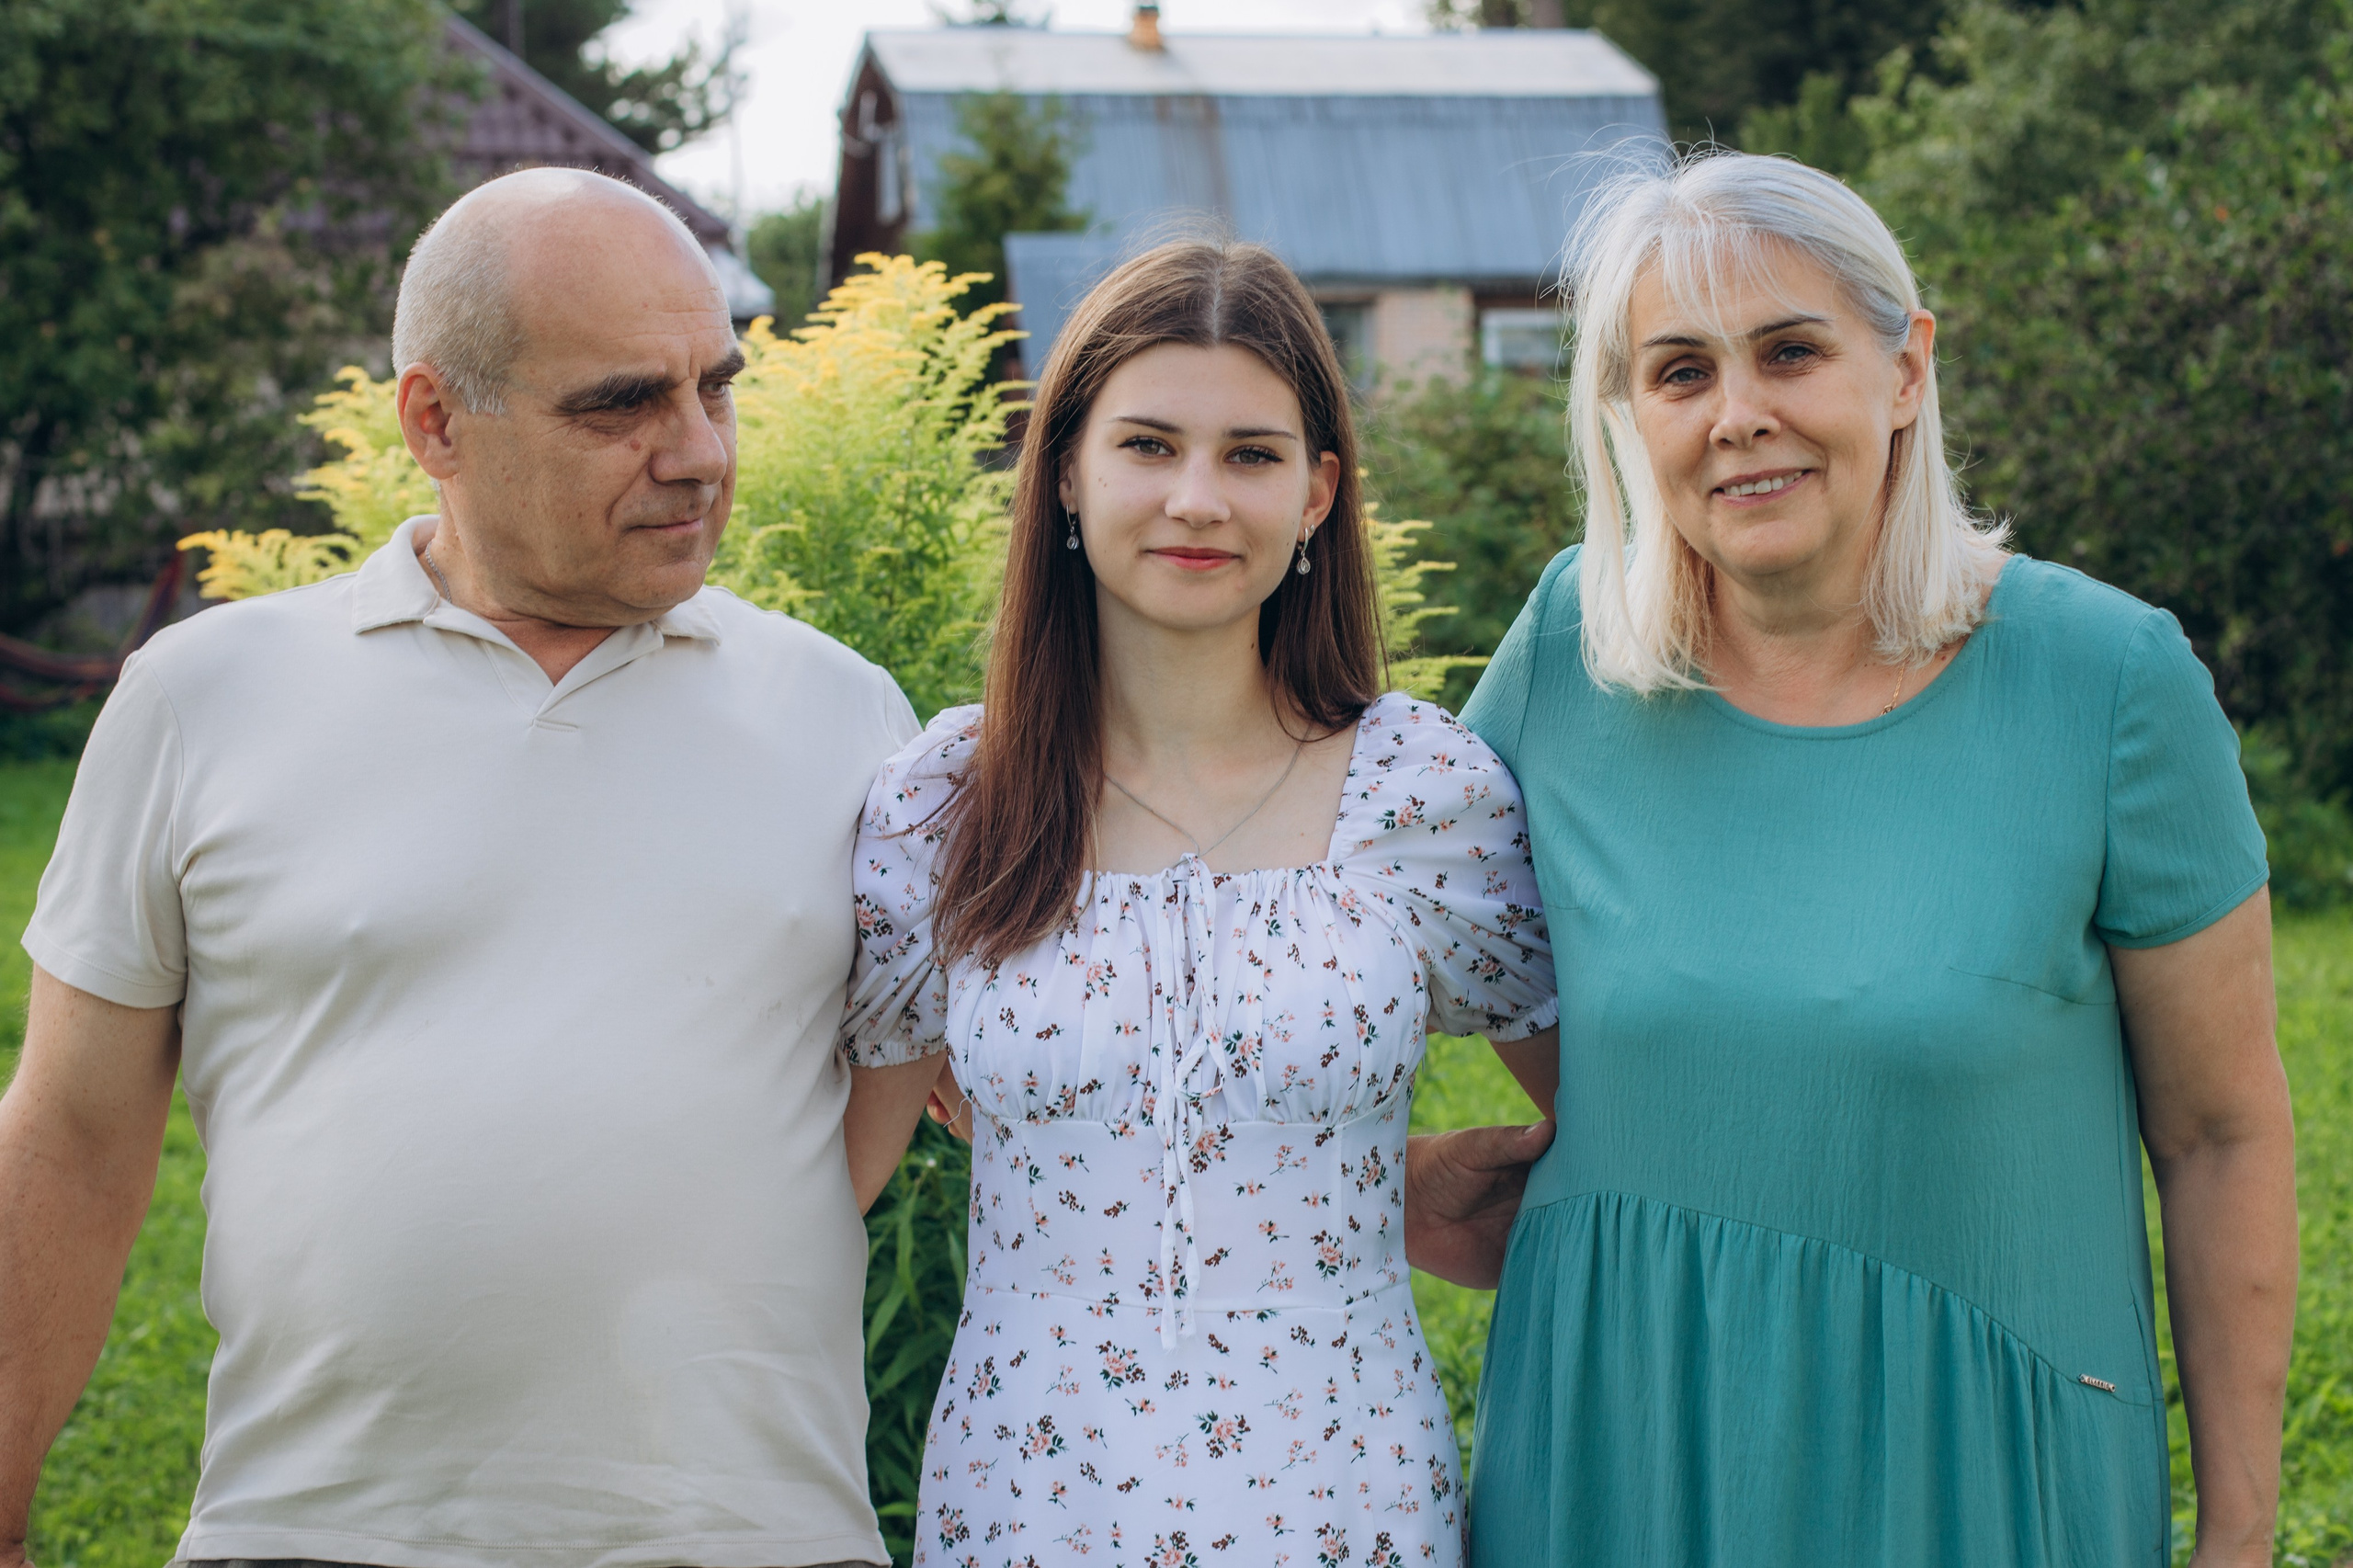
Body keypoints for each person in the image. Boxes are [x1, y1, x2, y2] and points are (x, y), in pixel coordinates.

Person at [0, 168, 941, 1568]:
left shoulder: (849, 714)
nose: (699, 452)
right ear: (436, 420)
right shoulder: (204, 697)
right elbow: (72, 1136)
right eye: (622, 403)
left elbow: (905, 1096)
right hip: (312, 1533)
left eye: (716, 388)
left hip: (754, 1537)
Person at [1443, 151, 2298, 1565]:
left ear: (1906, 368)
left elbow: (2221, 1134)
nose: (1739, 416)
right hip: (1625, 1445)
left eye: (1790, 351)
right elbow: (1350, 928)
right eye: (1679, 372)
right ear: (1627, 415)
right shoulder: (1568, 653)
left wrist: (2244, 1534)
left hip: (1977, 1469)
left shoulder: (2111, 681)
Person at [834, 239, 1558, 1564]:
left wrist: (1391, 1187)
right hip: (1031, 1505)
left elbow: (1631, 1126)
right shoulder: (944, 805)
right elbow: (820, 1191)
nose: (1197, 499)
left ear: (1321, 491)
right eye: (1149, 445)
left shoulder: (1426, 794)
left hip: (1346, 1500)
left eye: (1252, 454)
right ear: (1064, 469)